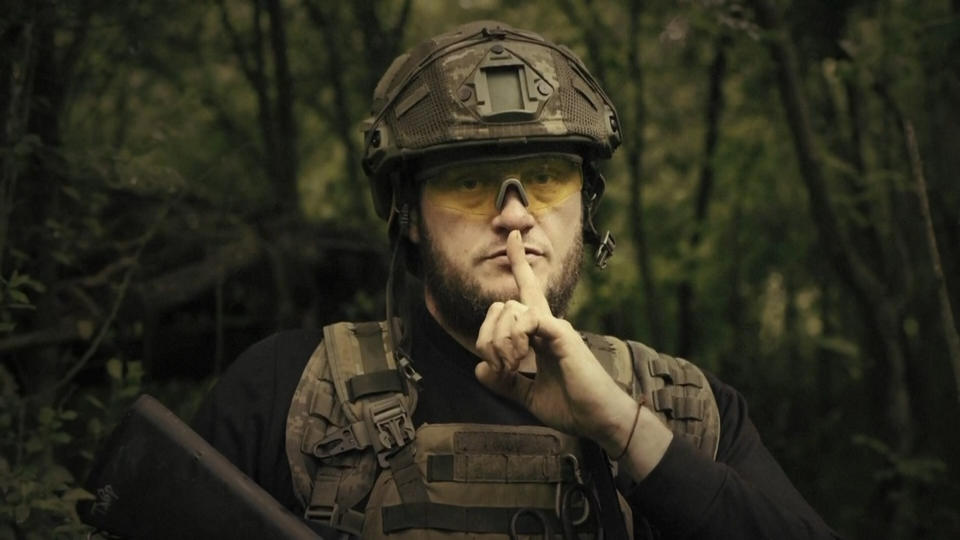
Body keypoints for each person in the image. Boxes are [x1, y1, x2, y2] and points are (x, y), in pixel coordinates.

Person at [192, 20, 838, 539]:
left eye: (547, 179)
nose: (514, 215)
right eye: (471, 183)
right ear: (408, 215)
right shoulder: (291, 397)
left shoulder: (686, 408)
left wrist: (621, 427)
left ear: (587, 203)